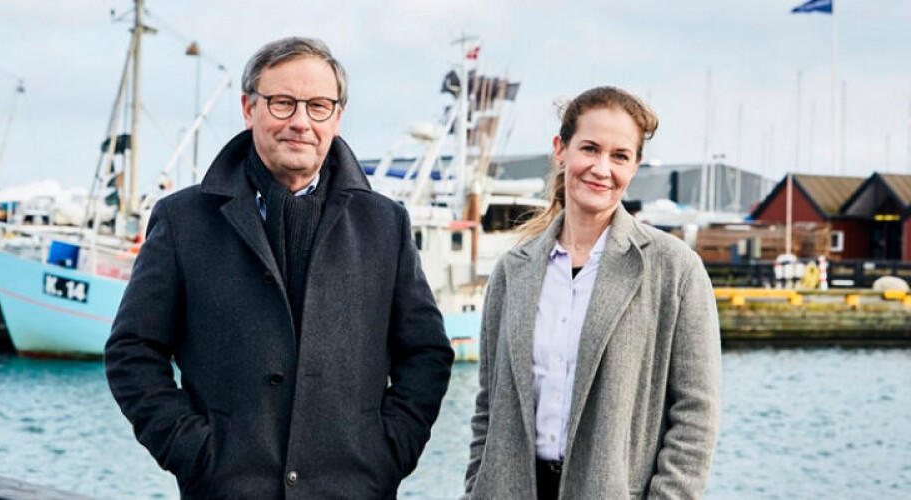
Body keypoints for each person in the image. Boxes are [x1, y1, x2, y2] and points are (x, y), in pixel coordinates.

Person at [105, 37, 454, 499]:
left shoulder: (385, 225)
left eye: (318, 106)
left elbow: (427, 353)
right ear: (249, 109)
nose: (300, 122)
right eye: (283, 103)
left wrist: (389, 452)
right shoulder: (183, 220)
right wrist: (193, 452)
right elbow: (132, 350)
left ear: (337, 117)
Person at [462, 87, 721, 499]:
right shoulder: (512, 272)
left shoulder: (675, 270)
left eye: (620, 156)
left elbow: (695, 417)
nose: (602, 168)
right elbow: (487, 409)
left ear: (634, 166)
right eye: (590, 148)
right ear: (560, 151)